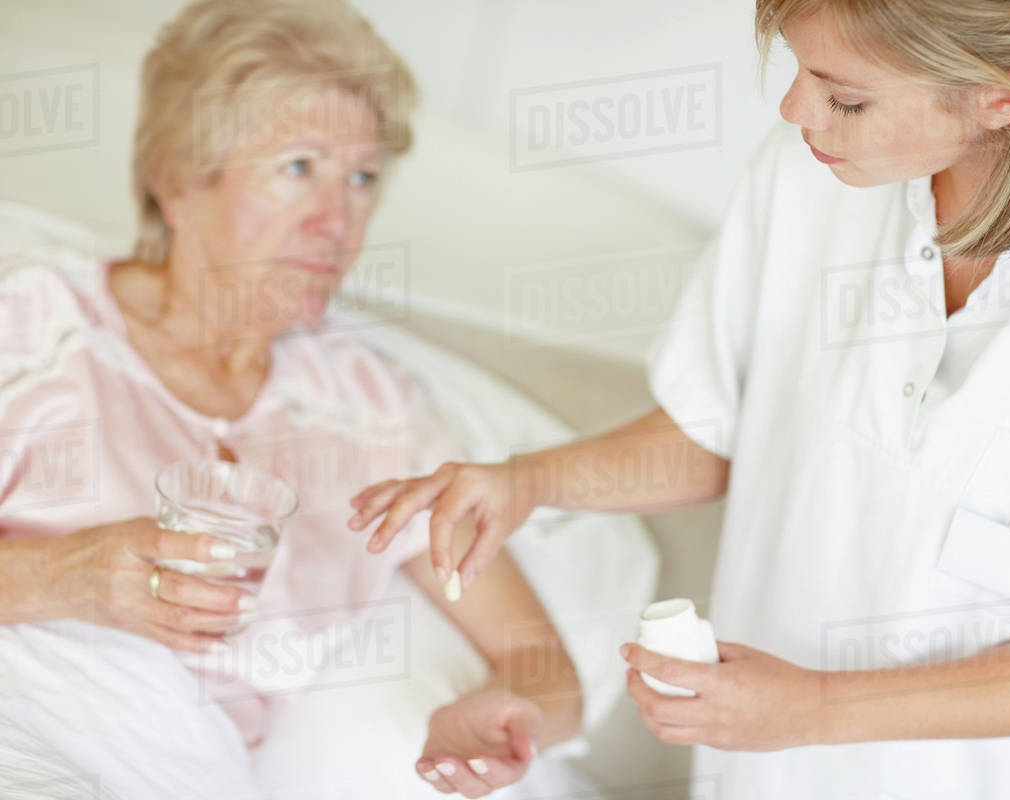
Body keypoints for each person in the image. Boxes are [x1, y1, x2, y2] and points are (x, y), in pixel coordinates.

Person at [350, 0, 1010, 796]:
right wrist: (528, 482)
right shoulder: (813, 172)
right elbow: (712, 433)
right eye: (799, 70)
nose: (796, 110)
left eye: (846, 98)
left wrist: (814, 709)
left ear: (1000, 100)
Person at [0, 1, 583, 798]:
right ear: (178, 178)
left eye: (362, 178)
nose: (335, 222)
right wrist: (63, 575)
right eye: (299, 167)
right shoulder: (34, 324)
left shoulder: (371, 411)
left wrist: (509, 711)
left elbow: (540, 662)